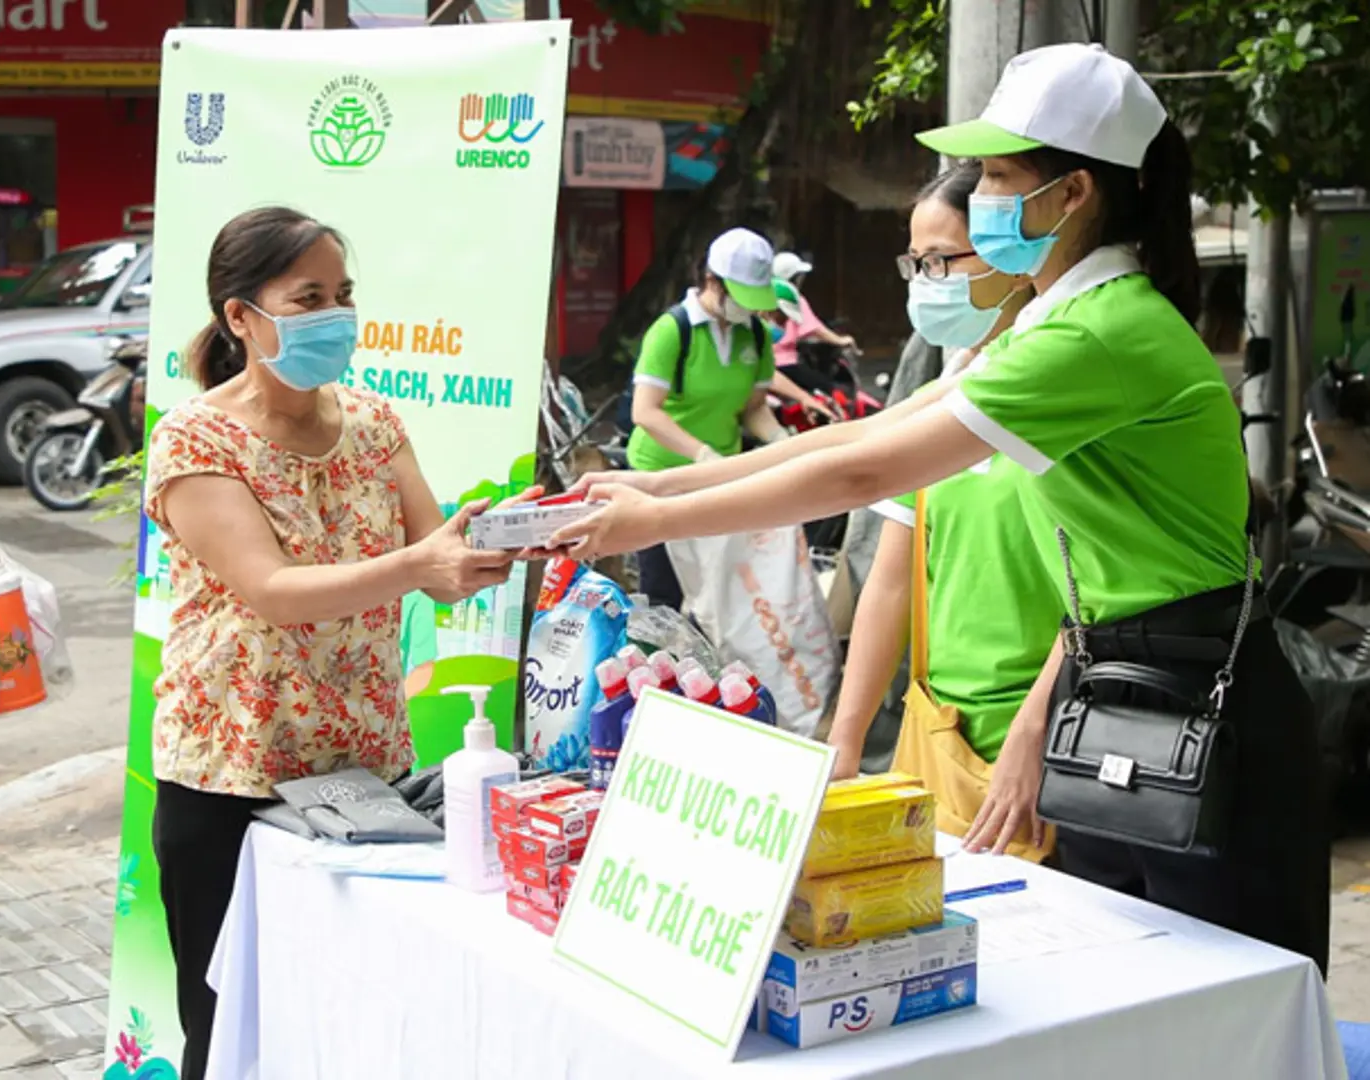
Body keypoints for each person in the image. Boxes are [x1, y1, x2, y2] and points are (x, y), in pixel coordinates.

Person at [555, 43, 1328, 971]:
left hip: (1202, 705)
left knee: (1221, 1008)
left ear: (1074, 192)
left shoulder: (1100, 332)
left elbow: (861, 477)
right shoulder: (1048, 325)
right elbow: (855, 439)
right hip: (1120, 685)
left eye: (1001, 176)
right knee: (1118, 994)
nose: (987, 196)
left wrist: (656, 521)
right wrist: (659, 485)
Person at [143, 206, 530, 1078]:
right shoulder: (193, 439)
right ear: (241, 317)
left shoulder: (372, 420)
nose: (336, 315)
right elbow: (274, 592)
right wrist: (422, 564)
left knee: (349, 1020)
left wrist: (496, 547)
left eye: (343, 295)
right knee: (228, 1025)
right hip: (231, 779)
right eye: (308, 296)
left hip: (361, 774)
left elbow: (433, 545)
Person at [828, 162, 1059, 860]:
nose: (926, 283)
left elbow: (1105, 592)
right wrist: (843, 741)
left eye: (941, 261)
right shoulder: (948, 381)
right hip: (937, 737)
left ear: (1010, 258)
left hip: (1044, 739)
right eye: (916, 263)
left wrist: (1034, 731)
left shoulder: (1064, 382)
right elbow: (891, 584)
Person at [625, 227, 831, 610]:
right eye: (740, 296)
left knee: (723, 596)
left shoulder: (754, 335)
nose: (748, 308)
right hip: (660, 476)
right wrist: (702, 454)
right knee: (663, 598)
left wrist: (782, 443)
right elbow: (645, 412)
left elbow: (753, 408)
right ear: (711, 281)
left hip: (721, 481)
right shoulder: (672, 332)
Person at [770, 250, 857, 368]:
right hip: (786, 361)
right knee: (828, 387)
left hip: (768, 361)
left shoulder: (766, 296)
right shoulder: (795, 299)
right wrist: (840, 340)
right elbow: (813, 328)